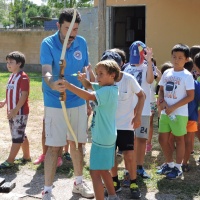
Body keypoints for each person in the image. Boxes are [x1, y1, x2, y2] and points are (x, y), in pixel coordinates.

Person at [40, 8, 94, 199]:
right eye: (67, 29)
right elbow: (46, 70)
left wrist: (89, 93)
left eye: (75, 30)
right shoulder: (47, 43)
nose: (72, 34)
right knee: (54, 146)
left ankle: (79, 183)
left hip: (77, 99)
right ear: (58, 26)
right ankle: (47, 190)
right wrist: (52, 83)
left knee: (78, 144)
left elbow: (86, 70)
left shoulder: (81, 42)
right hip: (56, 101)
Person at [60, 60, 120, 200]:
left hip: (102, 138)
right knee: (104, 170)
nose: (98, 77)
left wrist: (68, 86)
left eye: (101, 74)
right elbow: (89, 86)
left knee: (94, 173)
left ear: (112, 75)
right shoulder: (107, 87)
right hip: (105, 136)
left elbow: (89, 96)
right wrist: (83, 80)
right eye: (97, 73)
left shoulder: (107, 91)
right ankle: (112, 196)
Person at [101, 50, 145, 199]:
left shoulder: (129, 79)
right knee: (110, 155)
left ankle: (133, 183)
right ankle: (114, 182)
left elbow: (142, 95)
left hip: (126, 125)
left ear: (118, 66)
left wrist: (138, 115)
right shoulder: (104, 81)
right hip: (109, 125)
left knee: (129, 155)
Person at [158, 43, 194, 179]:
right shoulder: (167, 72)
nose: (176, 60)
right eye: (174, 57)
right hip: (165, 113)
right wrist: (162, 101)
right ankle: (169, 163)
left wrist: (173, 107)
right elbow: (161, 90)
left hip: (179, 114)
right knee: (162, 139)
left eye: (180, 57)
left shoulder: (187, 76)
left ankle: (178, 168)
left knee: (180, 140)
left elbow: (190, 96)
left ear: (187, 59)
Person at [123, 41, 156, 179]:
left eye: (139, 57)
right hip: (127, 110)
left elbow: (149, 80)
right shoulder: (126, 67)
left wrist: (149, 62)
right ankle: (128, 168)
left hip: (144, 109)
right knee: (129, 140)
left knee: (141, 139)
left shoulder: (148, 66)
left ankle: (140, 166)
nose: (136, 62)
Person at [0, 51, 31, 169]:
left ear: (19, 63)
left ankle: (10, 160)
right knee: (20, 133)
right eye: (7, 62)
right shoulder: (12, 76)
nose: (8, 64)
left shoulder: (23, 77)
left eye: (11, 62)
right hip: (12, 111)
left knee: (17, 136)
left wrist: (15, 110)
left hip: (20, 112)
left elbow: (24, 95)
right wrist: (4, 102)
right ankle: (27, 156)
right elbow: (11, 92)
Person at [146, 58, 161, 152]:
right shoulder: (142, 72)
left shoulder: (155, 75)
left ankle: (148, 143)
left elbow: (162, 77)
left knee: (150, 123)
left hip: (151, 102)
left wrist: (154, 67)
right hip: (142, 101)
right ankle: (141, 142)